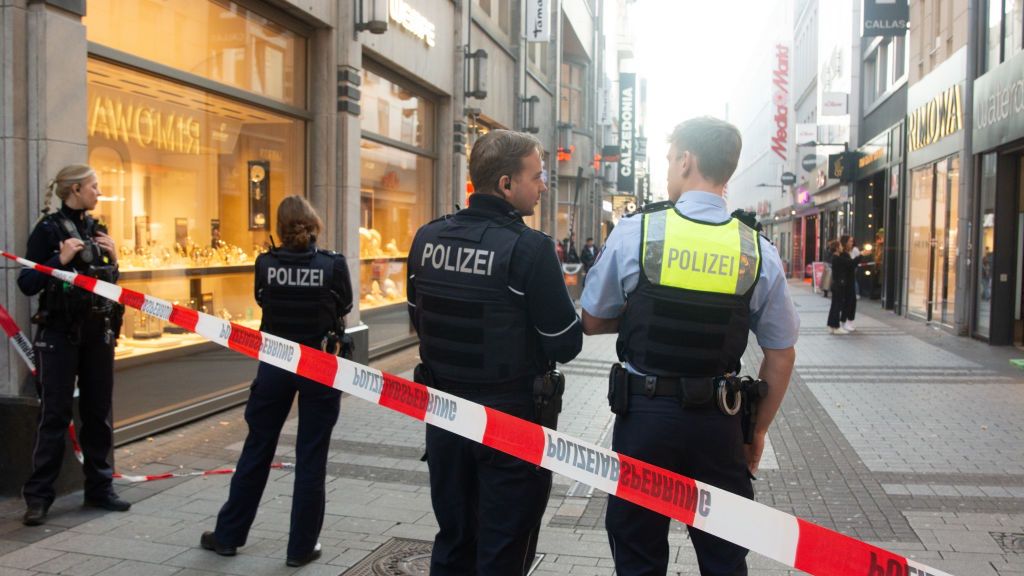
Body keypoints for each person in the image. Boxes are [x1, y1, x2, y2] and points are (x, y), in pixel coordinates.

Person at [580, 117, 799, 575]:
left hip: (645, 418)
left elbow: (593, 318)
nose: (667, 170)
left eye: (669, 159)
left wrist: (640, 314)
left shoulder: (639, 231)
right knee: (724, 557)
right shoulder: (755, 248)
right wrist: (757, 431)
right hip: (720, 423)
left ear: (686, 161)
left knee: (637, 551)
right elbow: (780, 351)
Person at [407, 129, 583, 575]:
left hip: (444, 415)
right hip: (510, 422)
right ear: (506, 184)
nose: (543, 186)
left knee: (454, 540)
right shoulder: (531, 249)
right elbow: (565, 342)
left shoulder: (427, 238)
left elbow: (418, 320)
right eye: (537, 176)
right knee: (503, 551)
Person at [201, 195, 353, 568]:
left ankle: (228, 536)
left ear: (280, 227)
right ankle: (301, 548)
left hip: (275, 362)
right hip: (318, 364)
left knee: (257, 447)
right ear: (314, 224)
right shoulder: (332, 265)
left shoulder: (265, 264)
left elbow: (261, 300)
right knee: (311, 456)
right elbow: (345, 305)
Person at [18, 164, 128, 526]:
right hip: (59, 335)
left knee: (98, 414)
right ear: (76, 189)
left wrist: (115, 258)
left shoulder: (98, 230)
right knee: (54, 415)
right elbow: (27, 283)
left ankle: (100, 488)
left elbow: (109, 284)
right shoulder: (48, 230)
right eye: (94, 186)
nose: (100, 192)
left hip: (98, 334)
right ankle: (38, 498)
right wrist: (59, 260)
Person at [827, 237, 853, 335]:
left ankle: (831, 325)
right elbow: (850, 263)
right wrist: (861, 255)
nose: (842, 247)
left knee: (834, 306)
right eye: (841, 246)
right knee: (837, 306)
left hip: (836, 285)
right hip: (839, 285)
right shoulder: (837, 258)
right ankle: (836, 327)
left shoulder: (834, 258)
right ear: (837, 248)